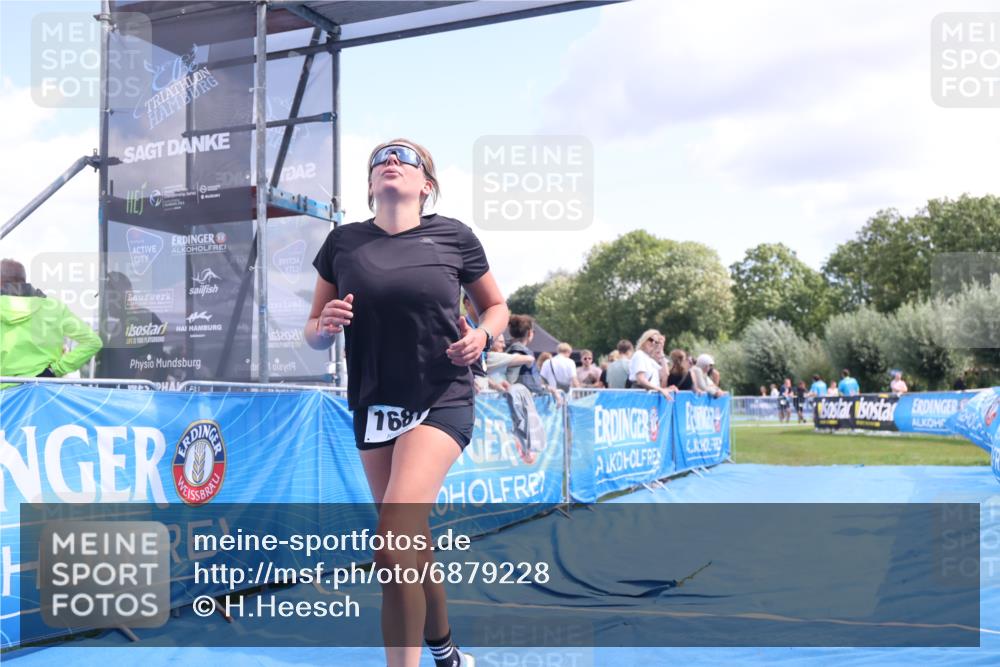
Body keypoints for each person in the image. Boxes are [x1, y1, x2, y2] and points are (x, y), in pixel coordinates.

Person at [306, 139, 506, 667]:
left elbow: (498, 307)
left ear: (426, 184)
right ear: (371, 186)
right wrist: (323, 329)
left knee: (392, 544)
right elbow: (313, 329)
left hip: (442, 396)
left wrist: (484, 336)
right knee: (410, 547)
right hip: (374, 404)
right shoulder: (342, 243)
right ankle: (445, 652)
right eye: (380, 161)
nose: (391, 163)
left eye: (405, 159)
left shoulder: (454, 236)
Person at [1, 258, 102, 386]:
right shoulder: (54, 307)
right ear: (24, 280)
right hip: (47, 392)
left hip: (5, 398)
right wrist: (54, 371)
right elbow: (93, 342)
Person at [627, 330, 674, 400]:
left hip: (647, 398)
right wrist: (661, 390)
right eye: (651, 340)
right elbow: (641, 380)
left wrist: (661, 351)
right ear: (644, 340)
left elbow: (665, 374)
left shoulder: (649, 359)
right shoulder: (639, 354)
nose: (653, 343)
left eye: (656, 342)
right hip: (639, 397)